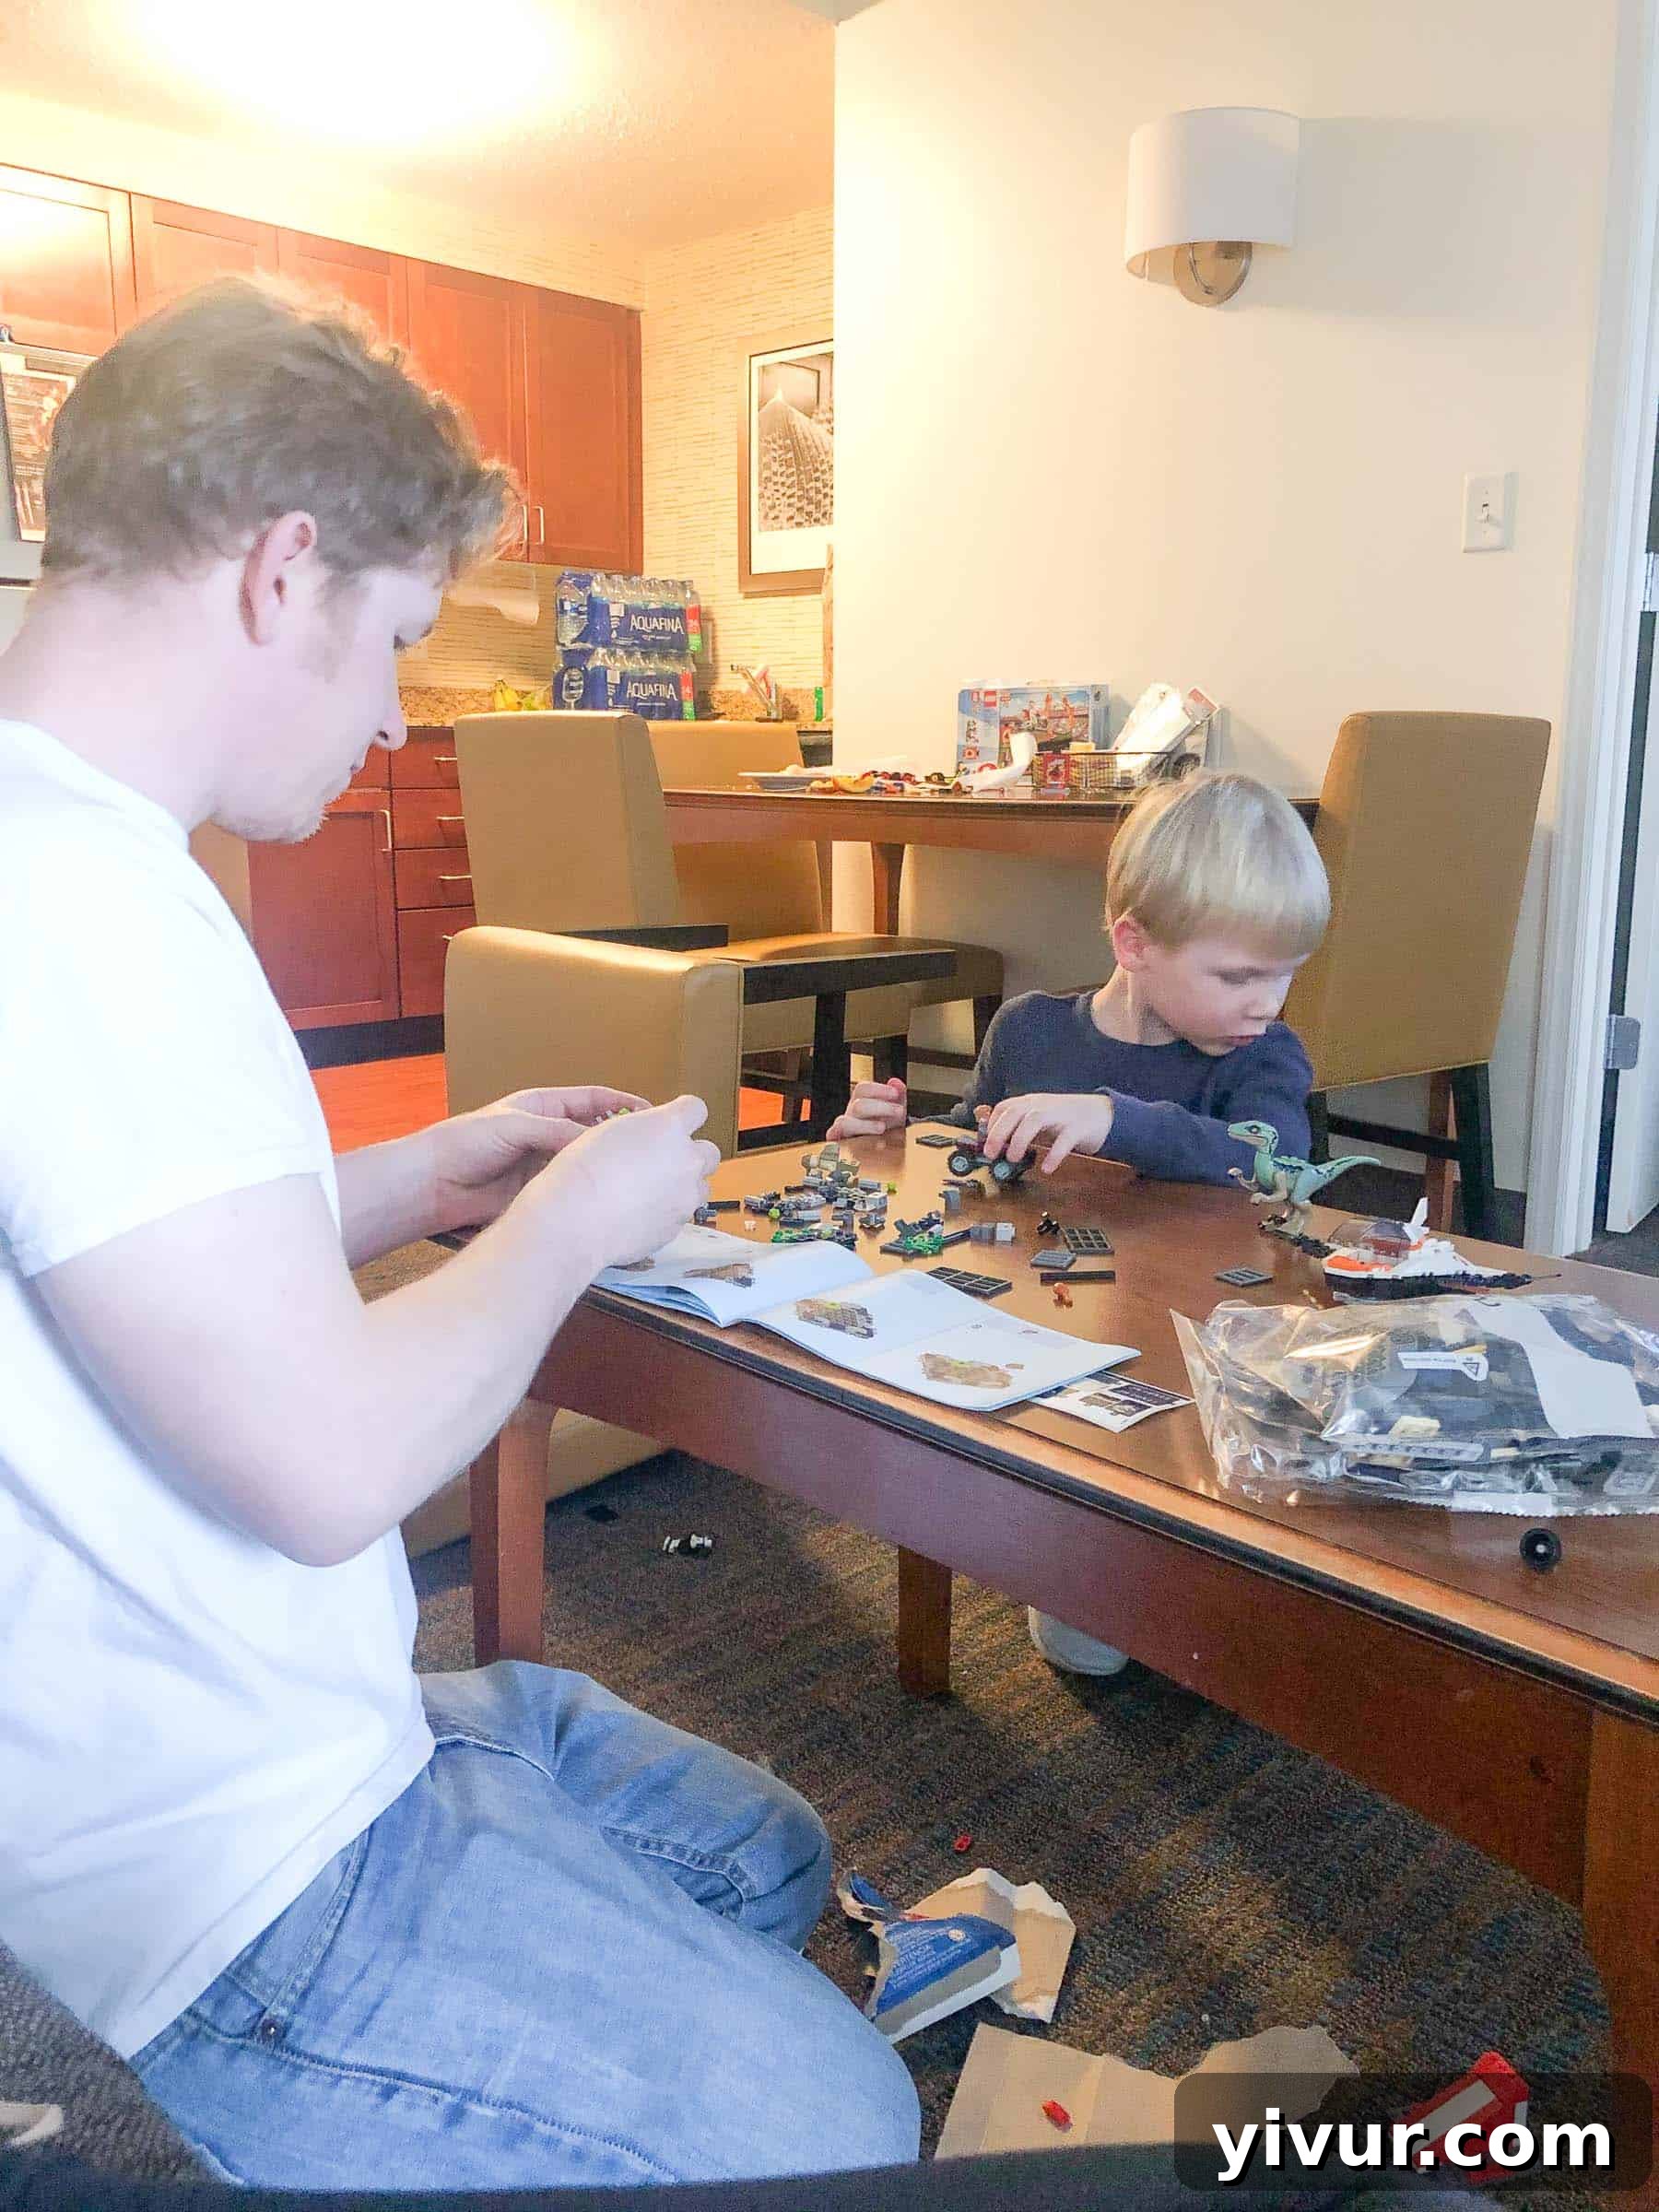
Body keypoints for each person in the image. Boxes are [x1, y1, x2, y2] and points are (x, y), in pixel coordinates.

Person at [0, 280, 919, 2192]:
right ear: (284, 570)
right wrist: (574, 1221)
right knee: (855, 2128)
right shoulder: (87, 913)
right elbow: (329, 1462)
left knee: (771, 1859)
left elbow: (106, 1251)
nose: (400, 711)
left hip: (282, 1707)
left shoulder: (63, 857)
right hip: (226, 1867)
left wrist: (425, 1179)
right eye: (401, 641)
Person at [831, 771, 1329, 1677]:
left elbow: (1277, 1161)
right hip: (1057, 1336)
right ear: (1134, 943)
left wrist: (1117, 1119)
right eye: (1239, 975)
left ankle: (1195, 1565)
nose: (1270, 1000)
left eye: (1286, 975)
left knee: (1233, 1627)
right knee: (1090, 1645)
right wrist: (892, 1139)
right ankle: (1072, 1545)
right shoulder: (1029, 1033)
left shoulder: (1263, 1053)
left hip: (1211, 1361)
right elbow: (978, 1148)